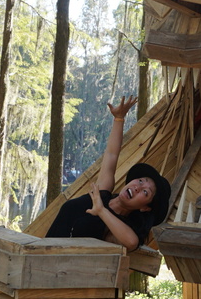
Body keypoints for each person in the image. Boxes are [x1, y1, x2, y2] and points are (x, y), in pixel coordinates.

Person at [44, 96, 171, 250]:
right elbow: (111, 155)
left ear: (145, 208)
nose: (138, 187)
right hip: (43, 253)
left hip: (68, 270)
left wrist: (101, 211)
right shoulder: (103, 193)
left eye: (145, 192)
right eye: (140, 181)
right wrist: (119, 118)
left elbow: (132, 243)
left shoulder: (121, 226)